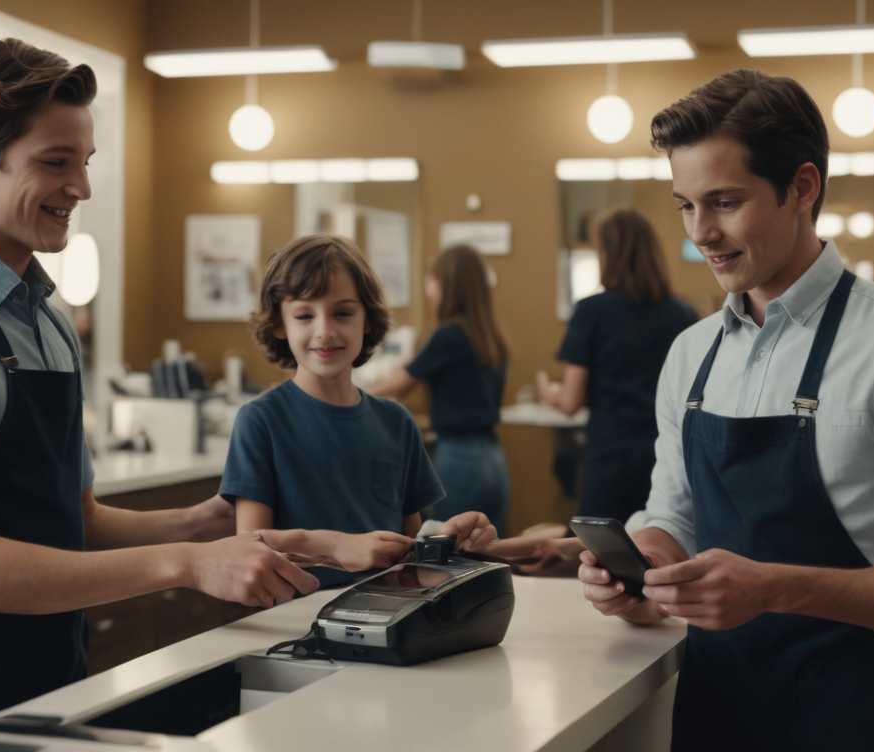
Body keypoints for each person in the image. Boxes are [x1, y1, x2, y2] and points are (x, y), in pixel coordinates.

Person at [0, 37, 318, 731]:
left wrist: (208, 523)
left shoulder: (49, 323)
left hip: (53, 663)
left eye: (85, 162)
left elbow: (79, 521)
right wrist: (186, 564)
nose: (83, 187)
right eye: (55, 162)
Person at [578, 69, 874, 751]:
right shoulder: (691, 353)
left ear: (802, 187)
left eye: (724, 201)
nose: (701, 233)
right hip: (713, 712)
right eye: (685, 205)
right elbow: (673, 515)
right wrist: (642, 569)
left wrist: (773, 588)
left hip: (846, 718)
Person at [221, 235, 497, 588]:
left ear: (367, 319)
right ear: (279, 325)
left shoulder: (397, 423)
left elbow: (412, 563)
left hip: (387, 621)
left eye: (343, 313)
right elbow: (250, 555)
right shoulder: (260, 422)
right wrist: (334, 549)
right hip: (292, 628)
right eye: (304, 315)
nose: (325, 331)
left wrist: (447, 541)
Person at [538, 208, 697, 522]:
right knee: (663, 550)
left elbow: (570, 402)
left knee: (600, 555)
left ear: (607, 252)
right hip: (669, 458)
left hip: (611, 457)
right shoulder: (683, 314)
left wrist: (547, 394)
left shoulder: (592, 311)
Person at [369, 245, 512, 536]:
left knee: (452, 557)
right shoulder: (491, 336)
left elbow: (400, 385)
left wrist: (354, 395)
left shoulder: (449, 334)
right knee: (491, 553)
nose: (429, 292)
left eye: (432, 283)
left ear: (448, 286)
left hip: (460, 459)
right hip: (494, 460)